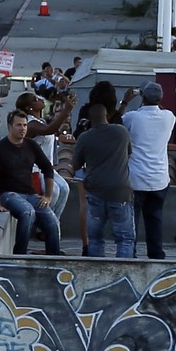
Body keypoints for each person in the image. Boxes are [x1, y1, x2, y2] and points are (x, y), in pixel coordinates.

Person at [0, 111, 64, 256]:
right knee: (27, 212)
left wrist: (48, 195)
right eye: (18, 125)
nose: (22, 129)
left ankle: (54, 258)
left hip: (30, 194)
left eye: (25, 125)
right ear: (9, 127)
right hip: (9, 194)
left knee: (53, 223)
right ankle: (20, 254)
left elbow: (47, 168)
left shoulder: (31, 145)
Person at [121, 81, 176, 258]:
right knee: (155, 217)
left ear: (142, 96)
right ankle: (156, 252)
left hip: (136, 177)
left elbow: (116, 124)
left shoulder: (132, 117)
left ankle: (131, 252)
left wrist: (125, 102)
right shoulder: (169, 117)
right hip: (159, 177)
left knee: (132, 219)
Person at [75, 102, 135, 258]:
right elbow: (129, 154)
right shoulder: (121, 132)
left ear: (89, 119)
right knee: (125, 239)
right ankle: (124, 274)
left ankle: (97, 274)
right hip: (120, 192)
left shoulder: (85, 137)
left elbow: (76, 165)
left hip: (95, 192)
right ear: (106, 116)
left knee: (95, 238)